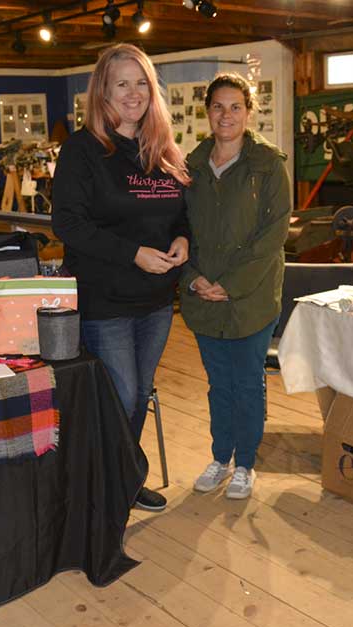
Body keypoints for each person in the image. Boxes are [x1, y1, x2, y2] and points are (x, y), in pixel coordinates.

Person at [52, 43, 191, 512]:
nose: (133, 93)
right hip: (105, 299)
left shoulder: (162, 150)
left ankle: (123, 481)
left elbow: (180, 215)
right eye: (122, 84)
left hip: (157, 300)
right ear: (103, 92)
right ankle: (109, 485)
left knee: (138, 395)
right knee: (123, 396)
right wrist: (133, 254)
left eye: (141, 83)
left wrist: (183, 239)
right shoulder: (83, 150)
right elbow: (68, 225)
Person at [180, 73, 292, 500]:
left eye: (235, 107)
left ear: (249, 112)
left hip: (252, 298)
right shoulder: (190, 167)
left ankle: (245, 463)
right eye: (218, 107)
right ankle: (219, 457)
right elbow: (177, 229)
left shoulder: (268, 165)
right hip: (204, 296)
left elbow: (273, 234)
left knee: (247, 383)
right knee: (218, 384)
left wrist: (230, 285)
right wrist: (192, 279)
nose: (226, 115)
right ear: (207, 112)